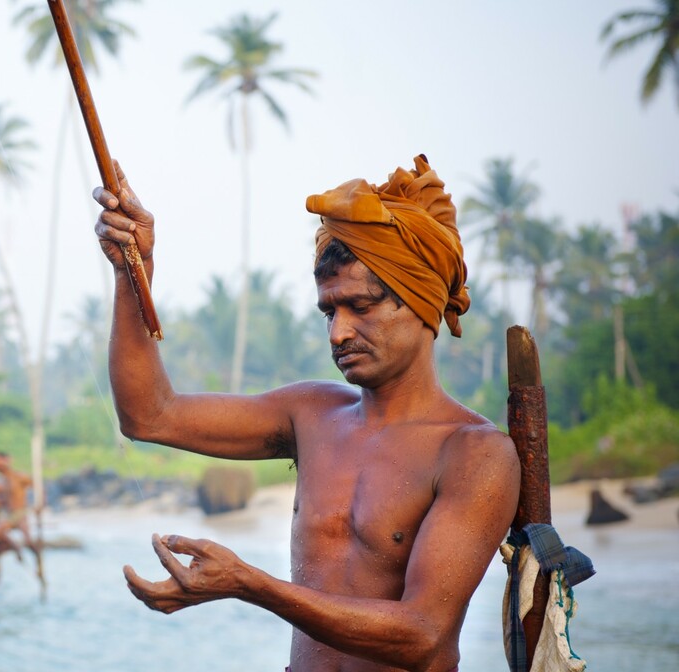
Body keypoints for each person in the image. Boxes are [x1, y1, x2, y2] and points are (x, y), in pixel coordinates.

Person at [92, 155, 520, 672]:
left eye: (360, 307)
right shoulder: (312, 413)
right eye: (328, 311)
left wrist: (249, 583)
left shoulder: (475, 453)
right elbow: (150, 416)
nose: (338, 333)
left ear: (421, 304)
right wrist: (130, 270)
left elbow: (423, 634)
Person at [0, 451, 39, 565]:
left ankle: (33, 556)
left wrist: (38, 505)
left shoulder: (19, 477)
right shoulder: (0, 480)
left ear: (6, 461)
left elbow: (37, 486)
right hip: (7, 514)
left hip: (20, 513)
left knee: (28, 541)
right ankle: (15, 548)